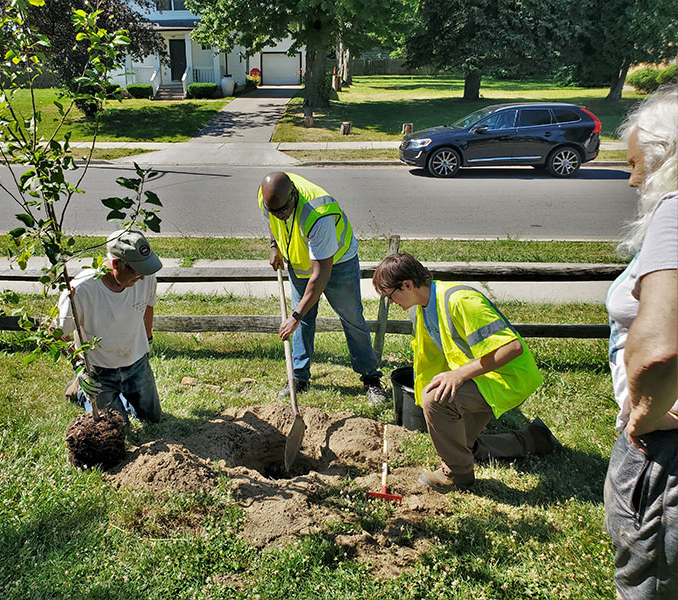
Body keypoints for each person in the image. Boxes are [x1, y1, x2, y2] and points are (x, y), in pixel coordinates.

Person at [372, 253, 561, 493]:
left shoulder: (461, 300)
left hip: (505, 379)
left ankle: (457, 474)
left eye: (390, 296)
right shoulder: (422, 307)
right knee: (461, 446)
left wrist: (458, 375)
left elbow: (512, 348)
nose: (391, 303)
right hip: (482, 378)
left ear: (407, 285)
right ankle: (535, 439)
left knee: (436, 399)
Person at [604, 85, 678, 600]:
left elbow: (658, 348)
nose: (632, 179)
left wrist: (645, 415)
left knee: (646, 580)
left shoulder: (675, 211)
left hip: (664, 443)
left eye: (635, 165)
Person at [258, 171, 387, 403]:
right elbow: (271, 220)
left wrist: (295, 315)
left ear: (293, 197)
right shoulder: (268, 197)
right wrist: (274, 246)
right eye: (275, 212)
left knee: (351, 318)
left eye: (283, 212)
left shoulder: (318, 215)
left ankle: (371, 379)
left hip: (337, 262)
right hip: (298, 261)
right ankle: (298, 377)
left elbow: (321, 273)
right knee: (303, 320)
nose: (279, 216)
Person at [59, 229, 163, 427]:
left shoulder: (145, 276)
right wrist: (80, 366)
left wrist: (147, 341)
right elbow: (56, 333)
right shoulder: (81, 289)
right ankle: (80, 392)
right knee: (117, 427)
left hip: (136, 363)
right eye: (136, 272)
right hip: (100, 370)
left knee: (152, 419)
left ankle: (119, 399)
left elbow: (148, 306)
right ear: (116, 264)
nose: (142, 278)